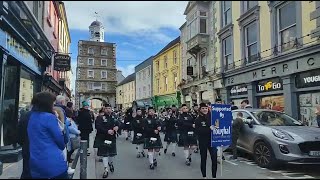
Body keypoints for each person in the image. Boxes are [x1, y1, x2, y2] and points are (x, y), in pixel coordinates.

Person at [17, 92, 68, 179]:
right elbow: (62, 143)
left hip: (32, 163)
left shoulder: (28, 116)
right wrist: (60, 122)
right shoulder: (49, 118)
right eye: (53, 103)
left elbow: (19, 138)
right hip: (52, 165)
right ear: (48, 104)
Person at [94, 104, 119, 178]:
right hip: (103, 138)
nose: (108, 110)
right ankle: (106, 170)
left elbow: (120, 124)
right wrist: (107, 131)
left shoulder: (114, 117)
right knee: (105, 154)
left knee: (111, 154)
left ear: (111, 109)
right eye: (106, 108)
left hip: (112, 138)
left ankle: (110, 163)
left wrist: (118, 127)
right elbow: (98, 127)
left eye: (109, 108)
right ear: (104, 109)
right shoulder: (100, 118)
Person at [195, 102, 217, 179]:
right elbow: (198, 131)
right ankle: (204, 176)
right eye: (203, 108)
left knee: (214, 159)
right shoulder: (198, 119)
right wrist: (209, 129)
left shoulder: (212, 117)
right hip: (203, 141)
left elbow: (218, 124)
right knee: (203, 159)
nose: (205, 110)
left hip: (212, 141)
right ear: (200, 110)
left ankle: (214, 176)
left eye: (206, 108)